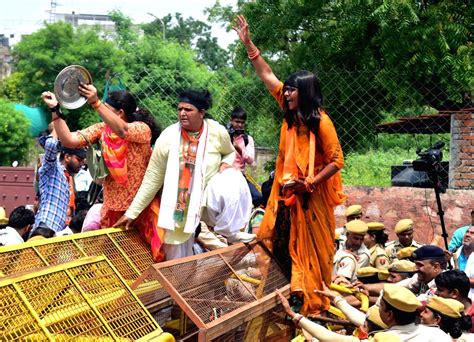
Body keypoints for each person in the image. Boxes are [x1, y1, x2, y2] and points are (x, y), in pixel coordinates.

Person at [233, 16, 346, 315]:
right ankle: (284, 297)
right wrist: (248, 44)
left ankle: (311, 303)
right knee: (281, 244)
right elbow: (267, 74)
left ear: (305, 92)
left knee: (310, 251)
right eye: (286, 90)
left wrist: (308, 183)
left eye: (292, 90)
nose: (285, 93)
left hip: (310, 199)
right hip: (284, 196)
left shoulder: (320, 121)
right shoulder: (288, 111)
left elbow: (337, 160)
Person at [114, 89, 255, 260]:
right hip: (179, 207)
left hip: (206, 202)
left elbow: (229, 152)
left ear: (202, 113)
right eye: (179, 109)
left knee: (233, 177)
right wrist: (132, 212)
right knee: (177, 263)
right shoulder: (168, 137)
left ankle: (229, 231)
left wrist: (225, 164)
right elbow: (153, 177)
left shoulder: (216, 131)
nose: (182, 113)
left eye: (188, 110)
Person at [41, 86, 163, 261]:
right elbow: (69, 140)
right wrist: (55, 110)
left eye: (107, 109)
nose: (102, 112)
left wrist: (96, 102)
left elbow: (123, 131)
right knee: (116, 262)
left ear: (120, 113)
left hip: (139, 209)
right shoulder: (102, 129)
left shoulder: (141, 129)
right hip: (111, 209)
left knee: (145, 259)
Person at [33, 120, 86, 234]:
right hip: (44, 229)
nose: (81, 164)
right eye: (79, 160)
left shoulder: (69, 178)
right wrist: (58, 122)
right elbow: (51, 144)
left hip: (56, 232)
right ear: (67, 157)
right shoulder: (53, 169)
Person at [378, 284, 451, 341]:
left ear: (390, 315)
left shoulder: (378, 339)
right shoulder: (438, 335)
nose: (378, 308)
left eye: (380, 305)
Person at [228, 107, 263, 208]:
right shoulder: (224, 136)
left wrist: (239, 149)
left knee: (258, 197)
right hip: (224, 174)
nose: (239, 125)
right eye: (237, 122)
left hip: (240, 175)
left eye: (242, 123)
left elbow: (251, 160)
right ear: (231, 121)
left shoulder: (247, 140)